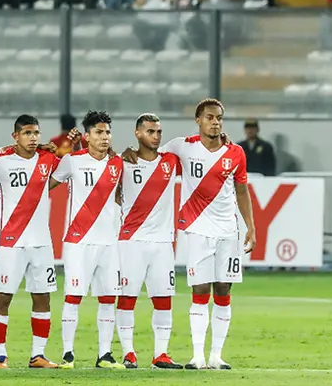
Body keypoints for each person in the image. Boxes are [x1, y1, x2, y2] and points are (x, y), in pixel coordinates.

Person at [122, 98, 256, 371]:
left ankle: (216, 356)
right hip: (196, 231)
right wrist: (128, 152)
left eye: (219, 117)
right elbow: (152, 152)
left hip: (228, 231)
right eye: (209, 117)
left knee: (223, 290)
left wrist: (250, 225)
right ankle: (197, 356)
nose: (215, 121)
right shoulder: (182, 146)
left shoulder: (236, 153)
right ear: (198, 120)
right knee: (199, 290)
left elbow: (241, 190)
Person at [0, 114, 61, 369]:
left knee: (43, 298)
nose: (33, 138)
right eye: (27, 133)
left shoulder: (48, 160)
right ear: (15, 136)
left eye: (36, 133)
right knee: (2, 298)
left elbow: (69, 170)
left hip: (41, 243)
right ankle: (0, 355)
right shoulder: (0, 161)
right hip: (10, 243)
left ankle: (38, 355)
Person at [49, 111, 125, 370]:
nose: (104, 137)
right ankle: (68, 353)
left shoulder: (118, 164)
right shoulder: (72, 161)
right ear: (87, 136)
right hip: (78, 241)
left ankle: (104, 355)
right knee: (73, 296)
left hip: (108, 243)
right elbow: (48, 184)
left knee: (107, 298)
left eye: (107, 132)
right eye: (99, 132)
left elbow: (120, 196)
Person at [116, 114, 183, 370]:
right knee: (127, 298)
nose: (156, 136)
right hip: (131, 241)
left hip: (163, 243)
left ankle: (160, 354)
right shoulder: (123, 162)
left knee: (163, 299)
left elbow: (200, 151)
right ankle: (128, 352)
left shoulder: (171, 161)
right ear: (137, 133)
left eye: (159, 132)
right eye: (150, 131)